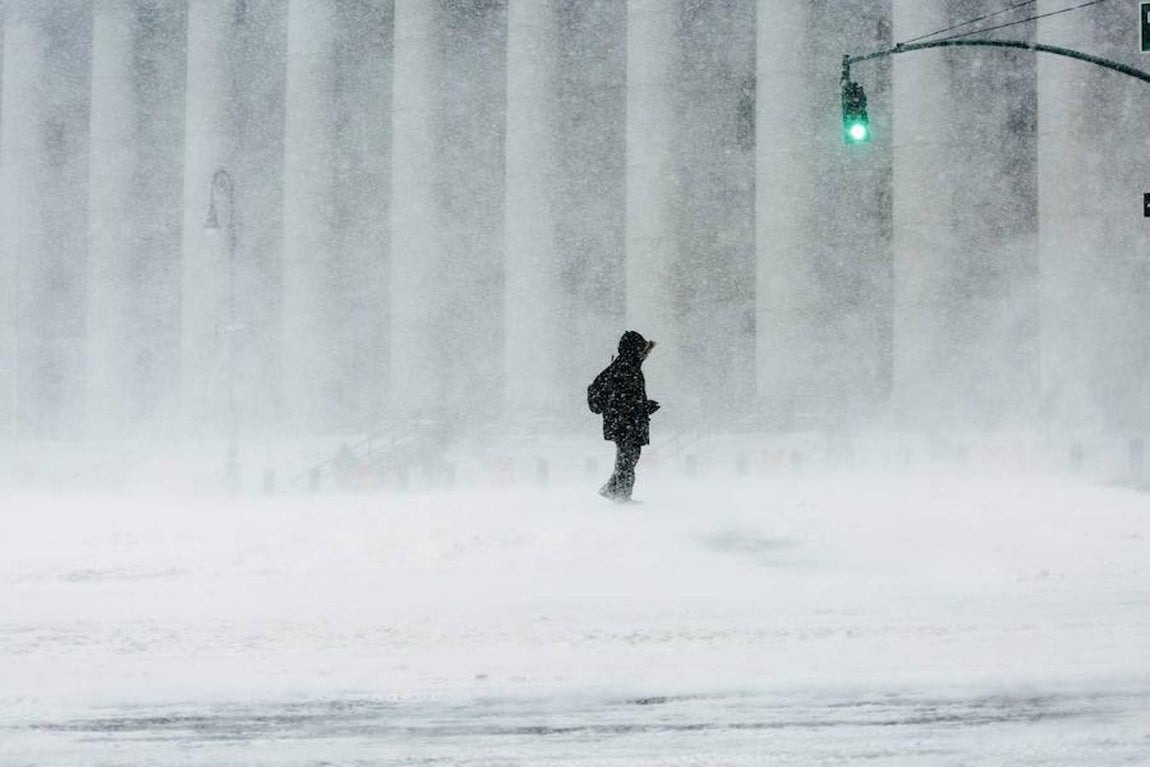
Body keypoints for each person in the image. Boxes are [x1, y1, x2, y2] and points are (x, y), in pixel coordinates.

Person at [588, 330, 660, 502]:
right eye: (642, 349)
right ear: (633, 349)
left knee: (629, 456)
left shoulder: (625, 367)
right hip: (625, 422)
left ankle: (613, 490)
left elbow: (625, 399)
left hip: (623, 421)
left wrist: (643, 407)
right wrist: (642, 408)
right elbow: (624, 401)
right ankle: (621, 495)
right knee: (627, 458)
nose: (645, 354)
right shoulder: (626, 369)